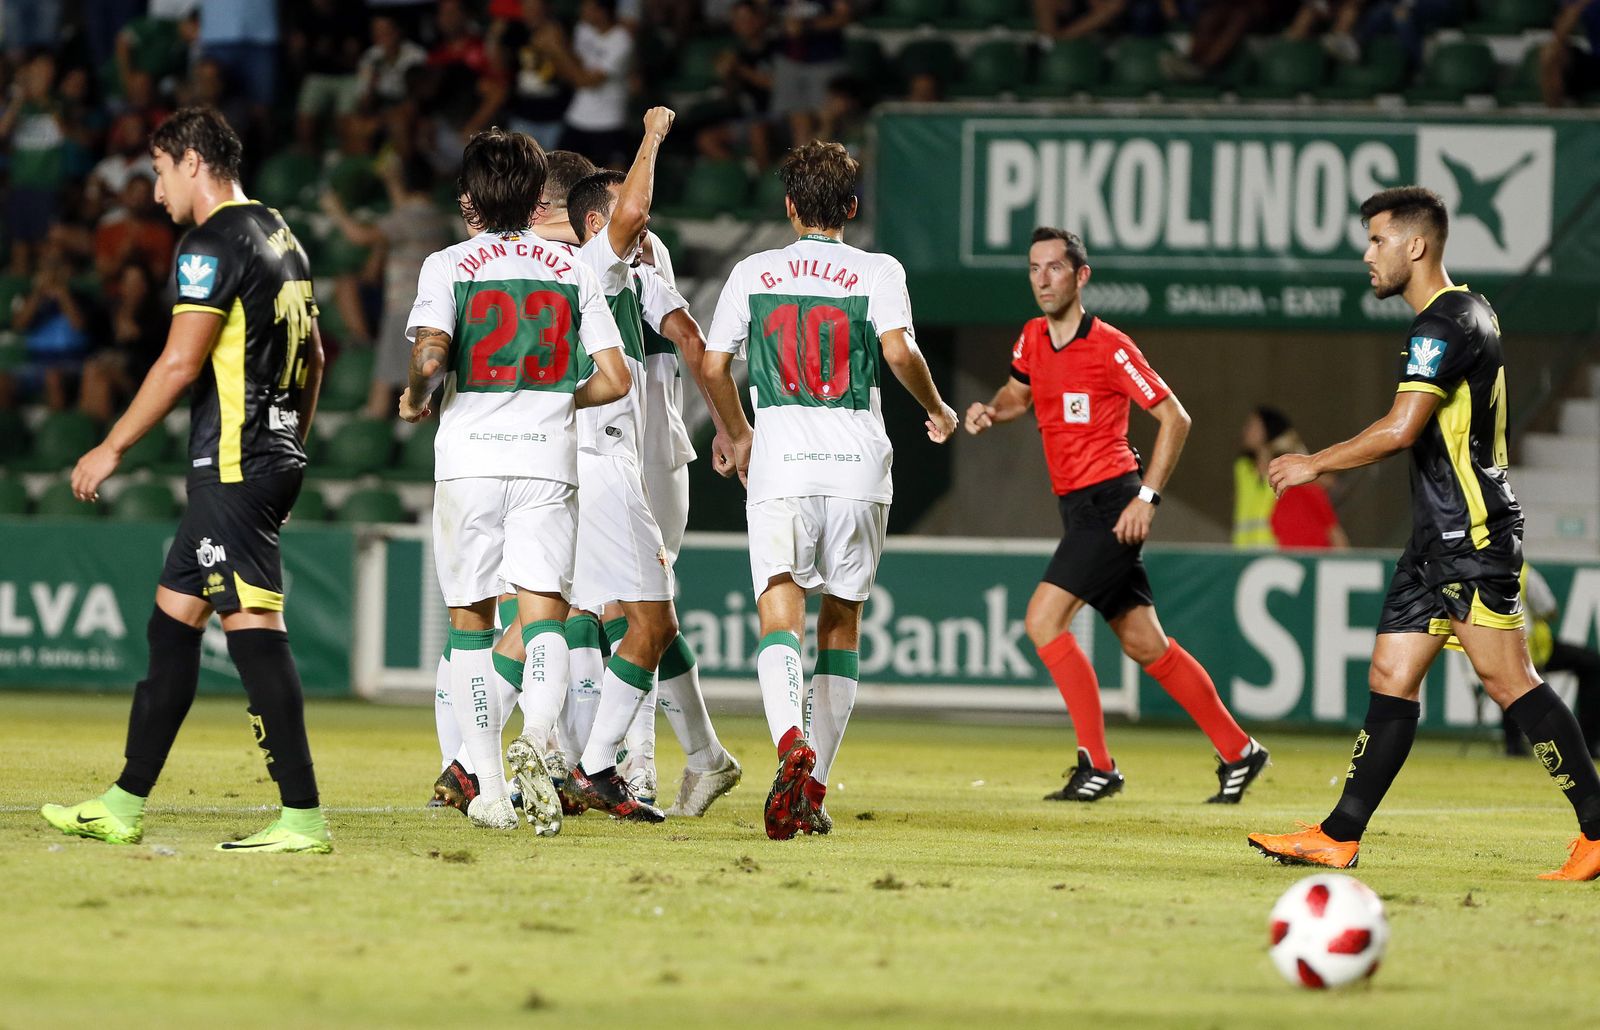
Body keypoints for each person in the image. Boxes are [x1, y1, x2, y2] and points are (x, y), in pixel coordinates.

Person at [1248, 186, 1600, 881]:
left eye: (1377, 240)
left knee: (1508, 679)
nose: (1366, 254)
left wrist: (1314, 462)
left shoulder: (1441, 325)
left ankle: (1598, 825)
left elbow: (1402, 428)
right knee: (1391, 674)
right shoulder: (1471, 310)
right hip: (1436, 538)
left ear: (1416, 245)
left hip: (1469, 533)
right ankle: (1339, 832)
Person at [39, 107, 332, 854]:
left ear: (192, 161)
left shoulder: (211, 242)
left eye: (160, 169)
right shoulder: (277, 231)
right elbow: (318, 357)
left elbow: (178, 362)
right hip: (262, 458)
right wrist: (290, 445)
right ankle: (123, 803)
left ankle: (301, 817)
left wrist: (111, 446)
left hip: (235, 464)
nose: (155, 185)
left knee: (254, 632)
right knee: (173, 623)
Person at [702, 140, 960, 839]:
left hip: (782, 461)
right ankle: (810, 790)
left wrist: (736, 432)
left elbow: (711, 362)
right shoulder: (878, 269)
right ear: (852, 207)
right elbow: (901, 351)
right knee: (840, 623)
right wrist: (937, 410)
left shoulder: (754, 271)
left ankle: (791, 745)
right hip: (857, 463)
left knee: (777, 613)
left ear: (789, 207)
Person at [965, 227, 1268, 805]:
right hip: (1077, 508)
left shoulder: (1110, 347)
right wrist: (991, 412)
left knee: (1042, 622)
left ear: (1082, 276)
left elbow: (1175, 418)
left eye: (1055, 268)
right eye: (1034, 268)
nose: (1042, 279)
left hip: (1112, 504)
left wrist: (1146, 499)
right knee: (1145, 645)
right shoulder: (1031, 338)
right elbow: (1016, 394)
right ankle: (1239, 750)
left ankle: (1097, 766)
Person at [402, 126, 632, 834]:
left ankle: (492, 790)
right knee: (544, 621)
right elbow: (616, 378)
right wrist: (558, 398)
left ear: (470, 198)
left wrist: (418, 391)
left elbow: (433, 350)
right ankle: (537, 741)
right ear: (538, 198)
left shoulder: (447, 264)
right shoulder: (572, 270)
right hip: (545, 462)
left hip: (469, 461)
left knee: (471, 626)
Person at [567, 174, 742, 816]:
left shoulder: (627, 258)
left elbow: (692, 341)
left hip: (637, 450)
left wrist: (728, 426)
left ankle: (627, 766)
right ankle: (689, 757)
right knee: (632, 612)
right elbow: (691, 338)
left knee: (632, 612)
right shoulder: (621, 258)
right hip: (624, 451)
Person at [562, 0, 634, 166]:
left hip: (608, 122)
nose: (582, 10)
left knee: (613, 183)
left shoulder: (621, 40)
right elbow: (573, 69)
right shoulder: (582, 29)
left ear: (602, 12)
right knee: (560, 177)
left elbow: (587, 81)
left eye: (588, 7)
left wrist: (556, 49)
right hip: (577, 117)